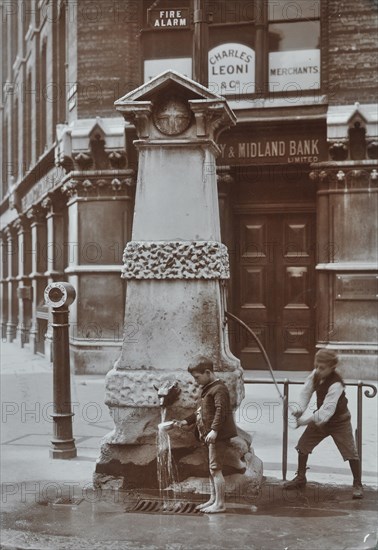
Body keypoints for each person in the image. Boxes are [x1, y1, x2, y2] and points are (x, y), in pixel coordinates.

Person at [285, 348, 363, 499]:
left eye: (322, 368)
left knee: (351, 453)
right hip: (320, 421)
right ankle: (301, 478)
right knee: (303, 446)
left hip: (340, 421)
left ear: (332, 368)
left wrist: (304, 421)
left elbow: (327, 410)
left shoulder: (336, 384)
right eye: (316, 366)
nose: (318, 370)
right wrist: (300, 409)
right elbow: (306, 392)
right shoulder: (315, 375)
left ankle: (357, 483)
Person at [173, 360, 237, 513]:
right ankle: (213, 499)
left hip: (217, 437)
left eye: (197, 377)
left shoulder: (219, 389)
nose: (196, 381)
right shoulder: (208, 388)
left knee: (215, 469)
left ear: (208, 372)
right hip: (209, 437)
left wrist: (214, 430)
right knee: (211, 469)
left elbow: (221, 411)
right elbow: (200, 412)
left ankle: (220, 504)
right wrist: (185, 421)